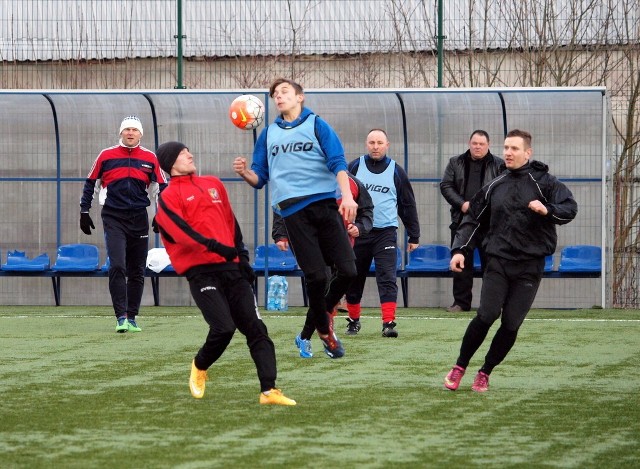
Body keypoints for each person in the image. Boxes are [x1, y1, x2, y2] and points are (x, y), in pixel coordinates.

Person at [154, 141, 295, 406]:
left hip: (232, 269)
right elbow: (180, 233)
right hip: (201, 273)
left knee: (256, 329)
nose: (190, 154)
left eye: (188, 151)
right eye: (184, 153)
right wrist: (213, 246)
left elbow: (230, 222)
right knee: (223, 328)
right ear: (171, 162)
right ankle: (199, 365)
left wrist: (242, 257)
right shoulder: (168, 196)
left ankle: (269, 391)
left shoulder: (213, 183)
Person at [443, 129, 577, 392]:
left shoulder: (546, 183)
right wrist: (459, 250)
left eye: (514, 148)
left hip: (530, 266)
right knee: (487, 314)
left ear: (528, 152)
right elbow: (473, 220)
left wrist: (547, 209)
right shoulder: (495, 184)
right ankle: (460, 366)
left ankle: (485, 372)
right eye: (505, 148)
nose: (508, 153)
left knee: (511, 322)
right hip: (499, 261)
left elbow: (569, 208)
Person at [233, 77, 357, 359]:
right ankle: (324, 330)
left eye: (284, 92)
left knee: (348, 271)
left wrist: (348, 196)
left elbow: (338, 162)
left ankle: (321, 317)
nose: (279, 96)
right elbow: (259, 178)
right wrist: (244, 173)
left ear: (300, 97)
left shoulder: (316, 124)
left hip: (325, 205)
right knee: (315, 276)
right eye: (275, 94)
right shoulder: (268, 134)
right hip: (293, 212)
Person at [80, 116, 167, 333]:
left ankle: (133, 317)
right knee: (118, 265)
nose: (130, 133)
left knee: (137, 269)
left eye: (134, 130)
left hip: (139, 217)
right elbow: (91, 183)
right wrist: (84, 210)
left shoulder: (150, 158)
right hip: (113, 217)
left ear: (140, 134)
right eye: (126, 129)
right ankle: (121, 317)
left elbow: (162, 187)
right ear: (121, 133)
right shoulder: (106, 155)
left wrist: (161, 214)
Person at [272, 172, 373, 358]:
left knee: (341, 282)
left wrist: (360, 227)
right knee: (323, 283)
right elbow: (283, 204)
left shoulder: (352, 183)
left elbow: (367, 212)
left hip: (339, 243)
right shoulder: (304, 177)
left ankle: (305, 335)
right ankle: (324, 335)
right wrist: (280, 234)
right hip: (310, 241)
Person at [344, 128, 420, 337]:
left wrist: (414, 235)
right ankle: (353, 320)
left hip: (385, 232)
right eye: (371, 143)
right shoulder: (355, 167)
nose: (375, 146)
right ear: (366, 144)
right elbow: (342, 196)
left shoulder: (396, 171)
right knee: (353, 277)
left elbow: (407, 204)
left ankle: (388, 323)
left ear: (387, 145)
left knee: (387, 276)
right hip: (358, 231)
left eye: (379, 143)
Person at [440, 130, 504, 313]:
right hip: (462, 221)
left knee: (490, 265)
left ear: (488, 145)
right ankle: (461, 303)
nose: (477, 147)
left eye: (481, 144)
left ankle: (489, 304)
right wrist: (462, 205)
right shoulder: (455, 162)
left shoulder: (499, 165)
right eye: (475, 143)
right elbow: (446, 186)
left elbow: (503, 189)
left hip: (490, 224)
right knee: (461, 263)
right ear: (469, 143)